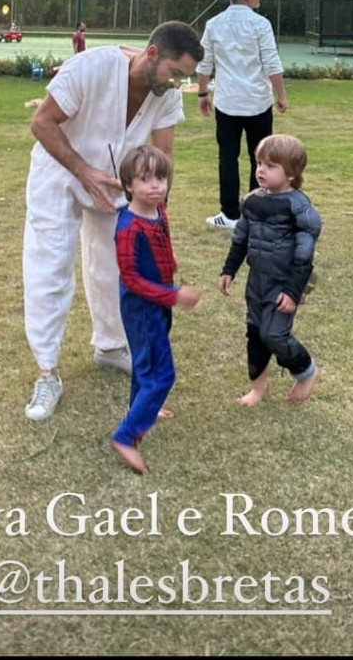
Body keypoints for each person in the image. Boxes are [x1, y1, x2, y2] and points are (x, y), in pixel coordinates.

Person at [22, 19, 204, 423]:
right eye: (175, 73)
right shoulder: (91, 67)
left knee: (114, 269)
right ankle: (47, 371)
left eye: (184, 78)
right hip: (59, 173)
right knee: (50, 267)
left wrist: (157, 211)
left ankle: (110, 346)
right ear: (152, 54)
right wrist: (84, 171)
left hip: (118, 186)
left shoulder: (166, 97)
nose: (177, 84)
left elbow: (164, 157)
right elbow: (41, 123)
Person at [111, 145, 199, 474]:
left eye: (160, 177)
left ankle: (142, 407)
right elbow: (131, 279)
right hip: (142, 307)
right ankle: (125, 436)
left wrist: (170, 263)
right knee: (162, 374)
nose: (155, 186)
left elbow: (165, 236)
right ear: (129, 185)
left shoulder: (159, 209)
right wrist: (173, 295)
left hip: (160, 301)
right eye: (145, 179)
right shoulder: (128, 228)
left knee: (145, 364)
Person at [219, 134, 322, 407]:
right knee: (255, 332)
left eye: (270, 165)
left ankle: (306, 371)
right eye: (259, 163)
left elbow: (304, 255)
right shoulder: (252, 201)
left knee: (274, 334)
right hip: (257, 280)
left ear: (291, 174)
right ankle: (257, 390)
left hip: (285, 282)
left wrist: (293, 291)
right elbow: (241, 238)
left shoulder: (298, 208)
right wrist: (229, 270)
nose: (261, 170)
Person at [196, 0, 288, 230]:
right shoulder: (260, 25)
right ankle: (253, 212)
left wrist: (203, 94)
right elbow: (272, 62)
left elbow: (205, 63)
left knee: (228, 156)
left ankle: (229, 213)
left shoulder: (214, 24)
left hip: (228, 103)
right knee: (259, 158)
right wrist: (281, 95)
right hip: (257, 102)